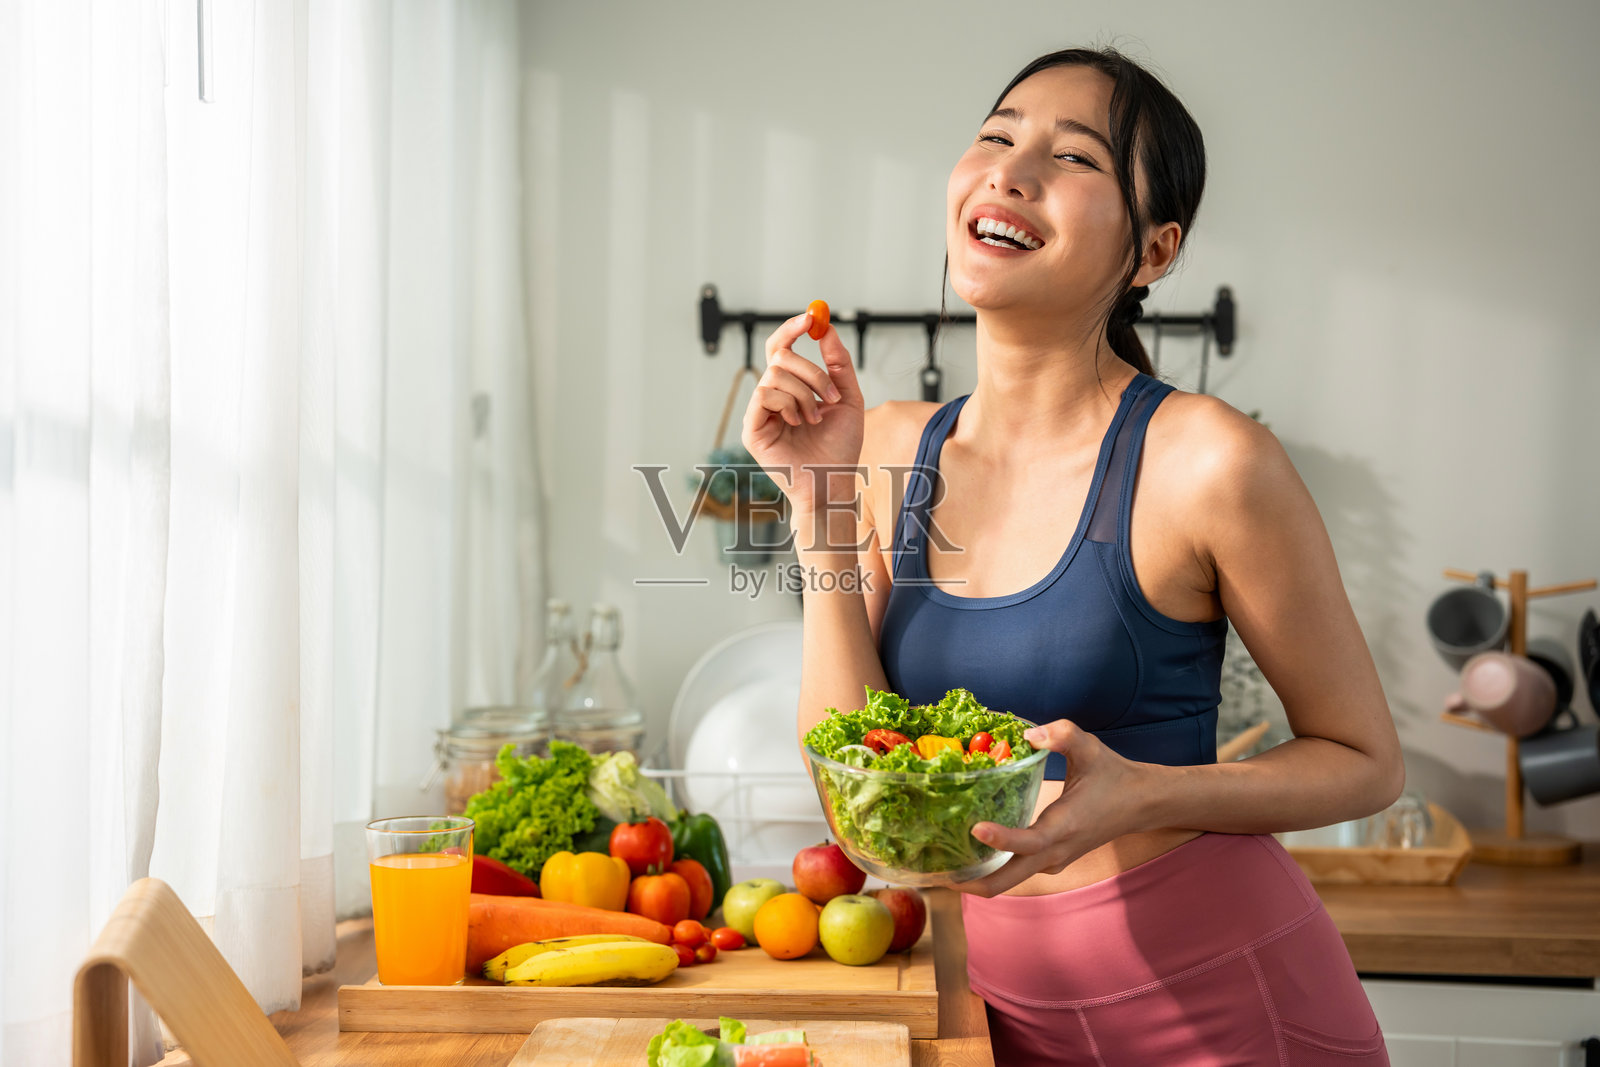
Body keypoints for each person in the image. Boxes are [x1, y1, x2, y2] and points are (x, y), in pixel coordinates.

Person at [741, 45, 1403, 1066]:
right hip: (1005, 1016)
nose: (1011, 169)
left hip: (1223, 1010)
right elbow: (850, 782)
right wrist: (820, 501)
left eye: (1075, 158)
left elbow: (1364, 762)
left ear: (1153, 251)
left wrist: (1148, 789)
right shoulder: (887, 445)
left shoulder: (1208, 460)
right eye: (996, 137)